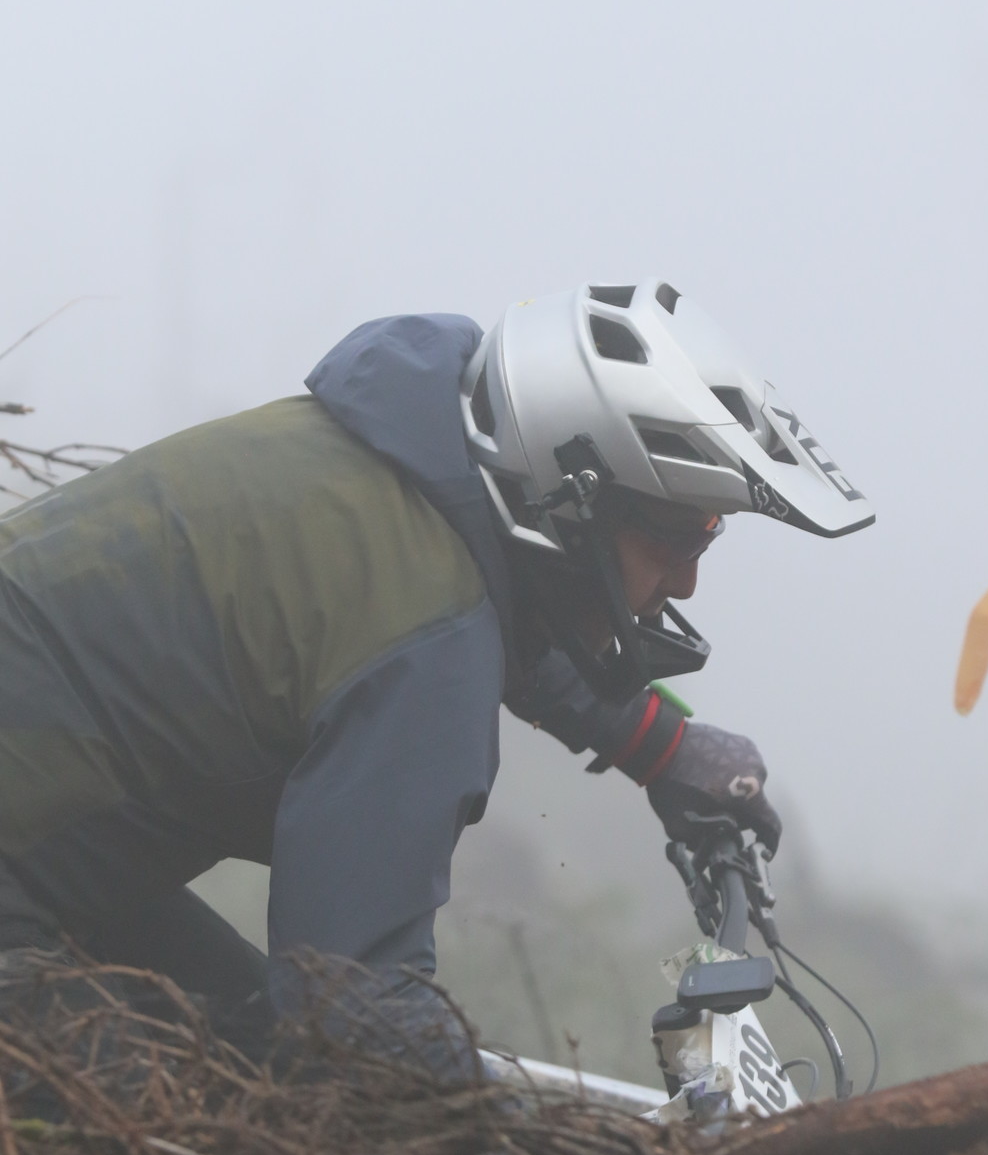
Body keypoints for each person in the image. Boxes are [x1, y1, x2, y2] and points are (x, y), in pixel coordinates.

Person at [0, 279, 872, 1066]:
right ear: (573, 501)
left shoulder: (385, 457)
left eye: (706, 539)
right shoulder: (425, 661)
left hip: (37, 851)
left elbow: (486, 603)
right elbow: (351, 1010)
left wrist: (656, 743)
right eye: (678, 538)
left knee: (249, 1050)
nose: (684, 583)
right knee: (233, 1126)